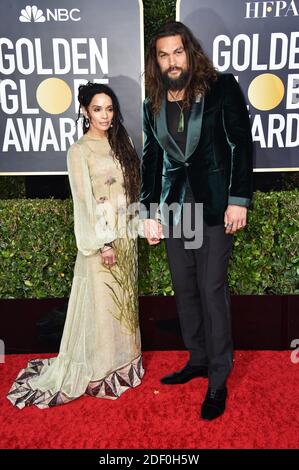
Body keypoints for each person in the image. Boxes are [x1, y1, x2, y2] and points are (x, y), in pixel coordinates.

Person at [141, 21, 253, 421]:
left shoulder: (221, 88)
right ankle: (199, 359)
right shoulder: (152, 102)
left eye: (178, 52)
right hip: (175, 211)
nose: (172, 61)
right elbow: (152, 160)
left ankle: (219, 377)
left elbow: (241, 143)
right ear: (156, 61)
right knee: (186, 291)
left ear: (190, 51)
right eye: (163, 54)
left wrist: (238, 200)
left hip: (215, 206)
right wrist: (148, 212)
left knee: (210, 289)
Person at [7, 83, 144, 409]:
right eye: (98, 109)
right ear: (85, 111)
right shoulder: (79, 151)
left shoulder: (120, 142)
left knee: (123, 306)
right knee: (102, 307)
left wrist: (135, 227)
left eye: (109, 109)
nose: (105, 115)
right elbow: (84, 203)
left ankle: (123, 365)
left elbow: (130, 193)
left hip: (125, 238)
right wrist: (103, 243)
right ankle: (98, 373)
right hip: (102, 244)